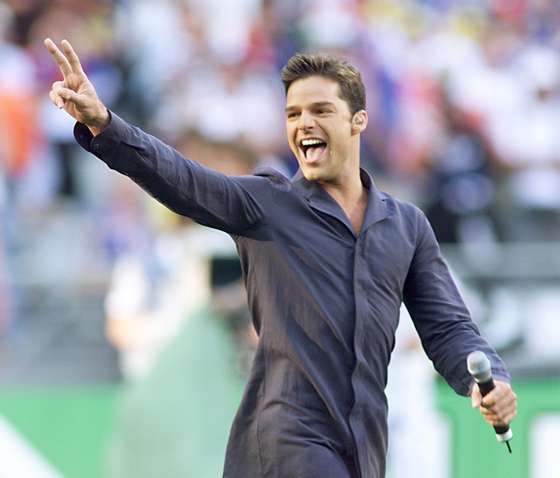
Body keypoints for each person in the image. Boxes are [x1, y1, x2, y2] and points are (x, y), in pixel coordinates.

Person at [44, 38, 517, 478]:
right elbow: (183, 180)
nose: (303, 124)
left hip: (364, 449)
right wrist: (105, 123)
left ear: (359, 121)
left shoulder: (407, 226)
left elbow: (449, 327)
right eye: (293, 114)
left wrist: (487, 380)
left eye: (320, 110)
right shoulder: (267, 204)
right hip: (285, 444)